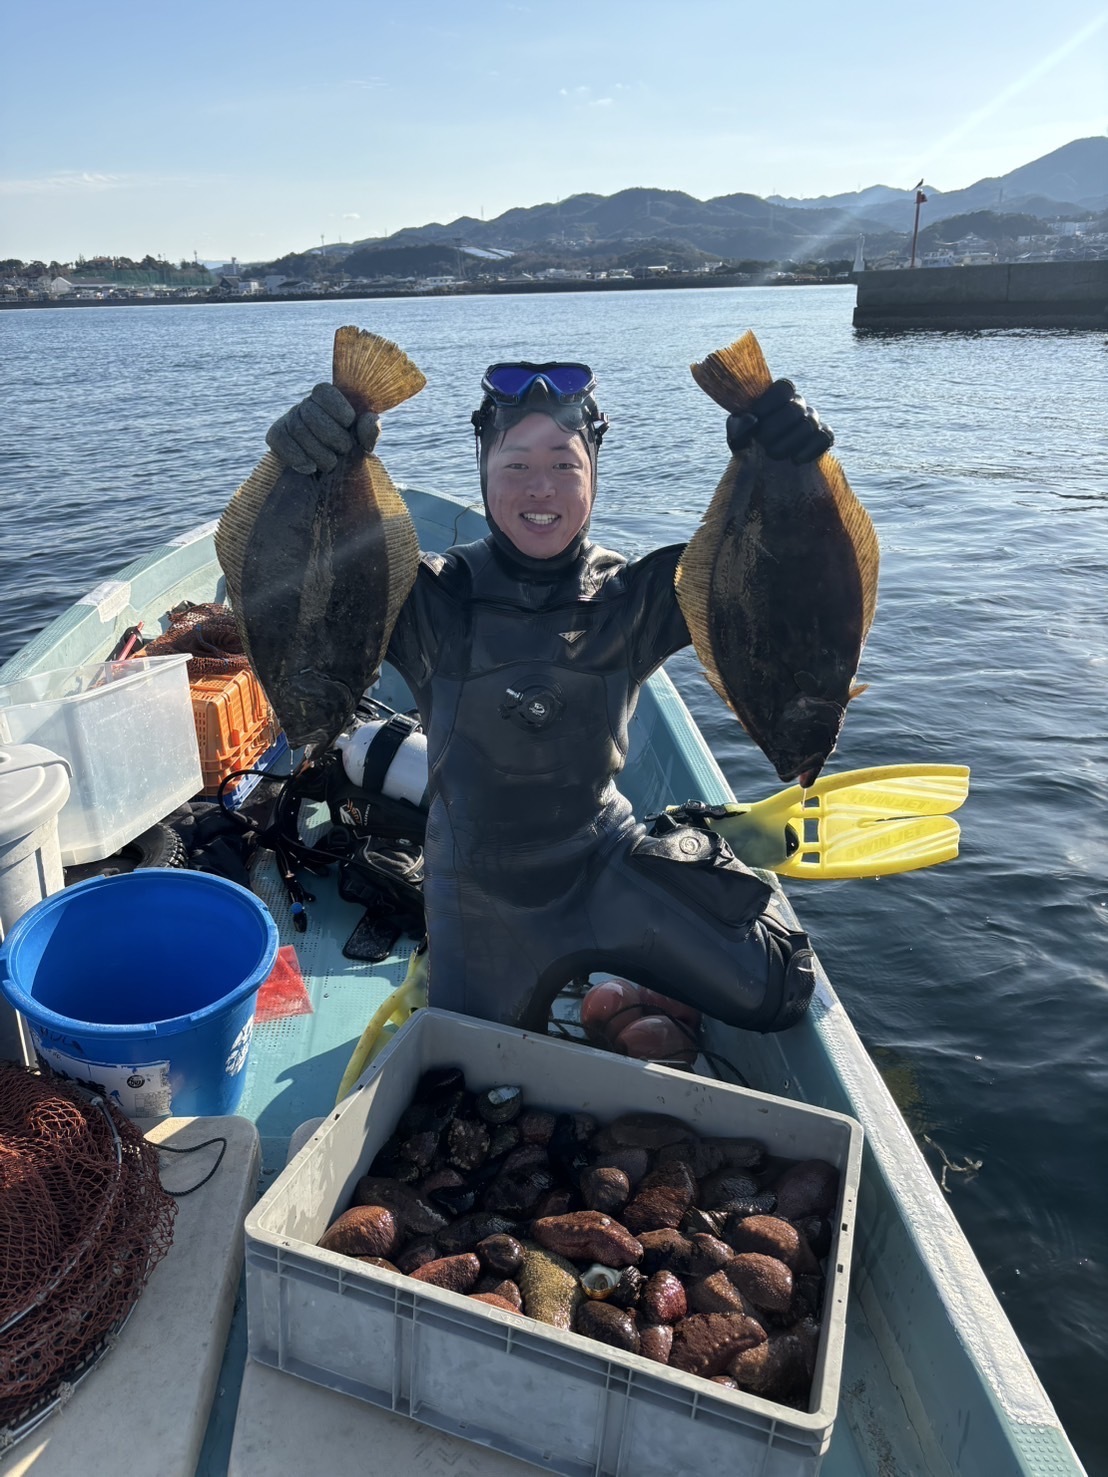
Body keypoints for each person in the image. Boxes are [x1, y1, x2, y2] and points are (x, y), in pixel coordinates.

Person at [264, 359, 833, 1043]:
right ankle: (623, 982)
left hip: (599, 858)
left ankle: (675, 875)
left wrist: (784, 467)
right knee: (469, 1075)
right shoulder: (427, 601)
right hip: (479, 895)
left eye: (565, 465)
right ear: (481, 466)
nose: (542, 488)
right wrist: (299, 471)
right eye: (516, 465)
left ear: (594, 469)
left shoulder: (637, 596)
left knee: (779, 987)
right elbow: (296, 603)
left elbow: (774, 595)